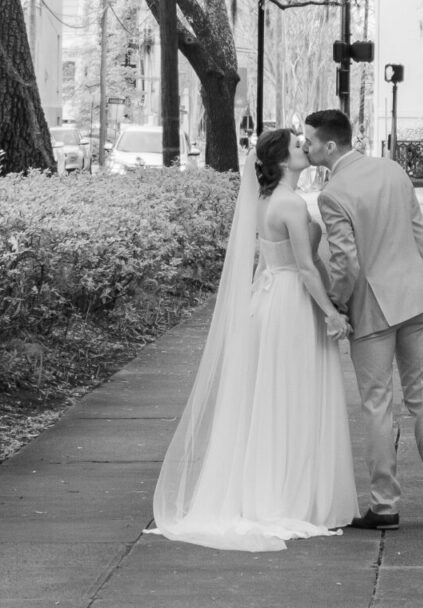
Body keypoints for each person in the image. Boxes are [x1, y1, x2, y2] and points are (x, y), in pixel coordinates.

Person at [150, 127, 358, 550]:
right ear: (283, 161)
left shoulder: (264, 201)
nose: (306, 149)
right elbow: (305, 268)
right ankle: (290, 494)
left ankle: (269, 488)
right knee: (294, 394)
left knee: (270, 396)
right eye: (299, 147)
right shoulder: (291, 203)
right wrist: (332, 314)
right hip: (291, 304)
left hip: (267, 300)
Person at [305, 108, 423, 530]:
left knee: (376, 404)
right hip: (415, 297)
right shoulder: (393, 171)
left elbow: (346, 262)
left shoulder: (333, 194)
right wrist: (422, 284)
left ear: (330, 145)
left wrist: (335, 304)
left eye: (310, 140)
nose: (306, 146)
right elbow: (419, 233)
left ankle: (385, 504)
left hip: (372, 307)